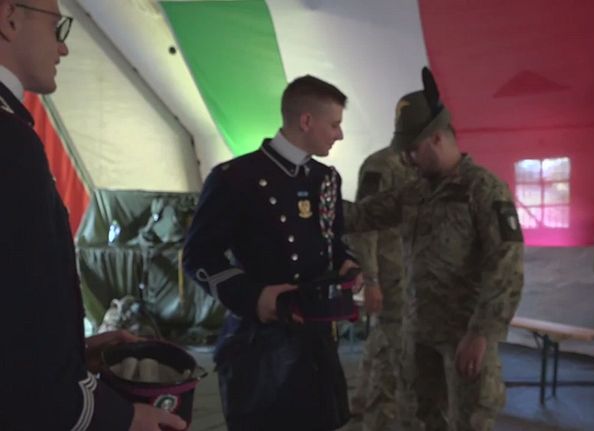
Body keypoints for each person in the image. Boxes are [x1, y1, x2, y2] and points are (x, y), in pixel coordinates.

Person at [0, 1, 187, 430]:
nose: (63, 48)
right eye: (57, 28)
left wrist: (72, 353)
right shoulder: (9, 142)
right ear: (9, 18)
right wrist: (116, 417)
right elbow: (21, 315)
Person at [344, 69, 524, 431]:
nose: (409, 160)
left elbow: (506, 266)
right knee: (421, 420)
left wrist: (481, 334)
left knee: (469, 421)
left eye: (414, 150)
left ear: (438, 138)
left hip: (464, 335)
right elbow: (361, 215)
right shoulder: (416, 192)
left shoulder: (483, 189)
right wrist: (312, 193)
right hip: (419, 333)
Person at [183, 75, 361, 431]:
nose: (339, 134)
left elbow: (332, 240)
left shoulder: (326, 178)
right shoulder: (236, 177)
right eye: (334, 124)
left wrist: (345, 262)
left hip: (316, 341)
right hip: (260, 345)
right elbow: (198, 256)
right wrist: (254, 297)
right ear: (306, 120)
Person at [346, 119, 416, 430]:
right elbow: (363, 225)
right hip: (391, 275)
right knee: (392, 346)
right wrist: (372, 279)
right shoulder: (381, 166)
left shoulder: (418, 166)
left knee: (386, 337)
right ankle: (378, 416)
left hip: (409, 273)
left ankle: (362, 400)